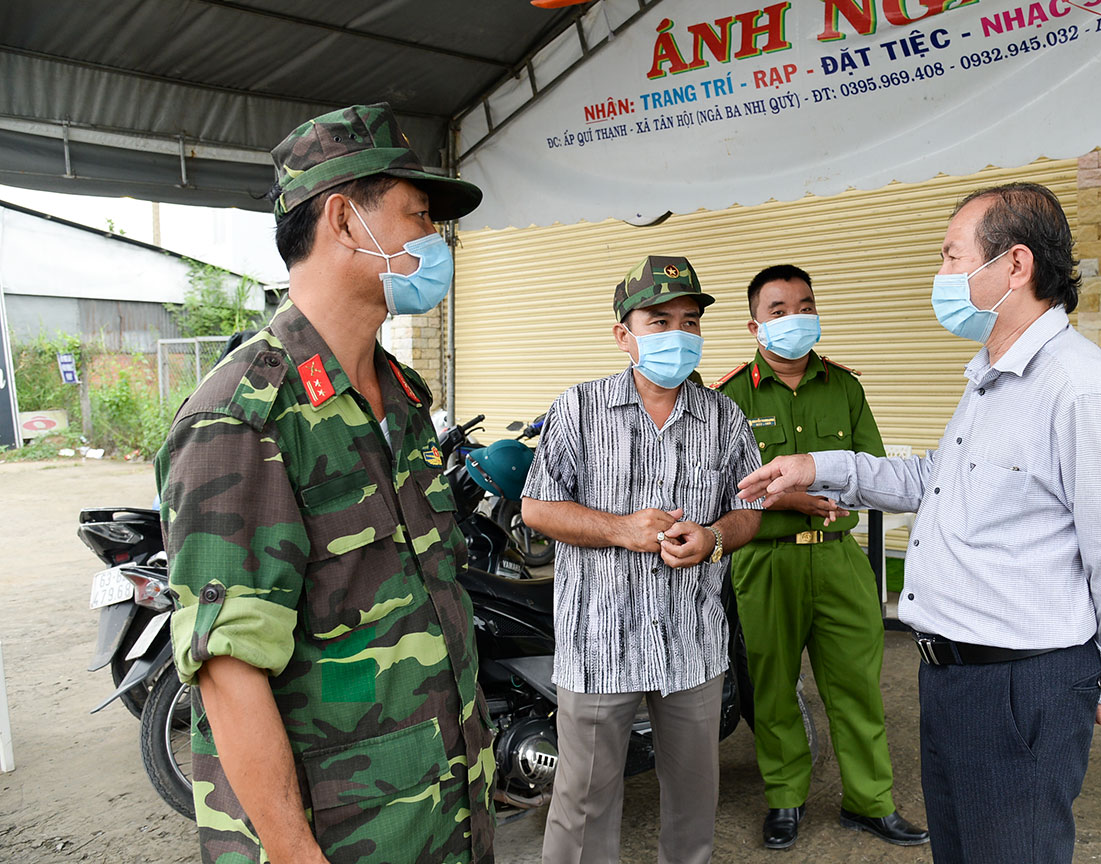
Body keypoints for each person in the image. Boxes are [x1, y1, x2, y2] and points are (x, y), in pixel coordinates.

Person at [737, 182, 1101, 864]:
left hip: (1021, 688)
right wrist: (815, 465)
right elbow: (929, 478)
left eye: (949, 256)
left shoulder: (1078, 388)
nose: (939, 276)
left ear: (1015, 265)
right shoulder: (991, 377)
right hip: (954, 680)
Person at [156, 103, 494, 864]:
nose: (434, 242)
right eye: (418, 216)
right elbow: (229, 671)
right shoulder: (244, 419)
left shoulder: (401, 397)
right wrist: (293, 851)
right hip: (338, 836)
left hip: (445, 812)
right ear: (344, 220)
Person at [520, 255, 763, 864]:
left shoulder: (723, 417)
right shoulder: (578, 409)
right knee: (582, 803)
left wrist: (715, 539)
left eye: (689, 321)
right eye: (659, 321)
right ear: (623, 335)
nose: (677, 335)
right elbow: (537, 509)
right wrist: (618, 529)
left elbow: (750, 511)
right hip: (599, 639)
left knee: (692, 802)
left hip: (692, 642)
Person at [714, 264, 927, 850]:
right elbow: (724, 491)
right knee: (774, 686)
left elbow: (877, 475)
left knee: (857, 687)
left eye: (804, 305)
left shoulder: (846, 387)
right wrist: (797, 500)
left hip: (838, 559)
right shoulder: (726, 397)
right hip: (765, 562)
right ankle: (785, 797)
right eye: (779, 310)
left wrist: (813, 497)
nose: (795, 318)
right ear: (754, 324)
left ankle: (870, 801)